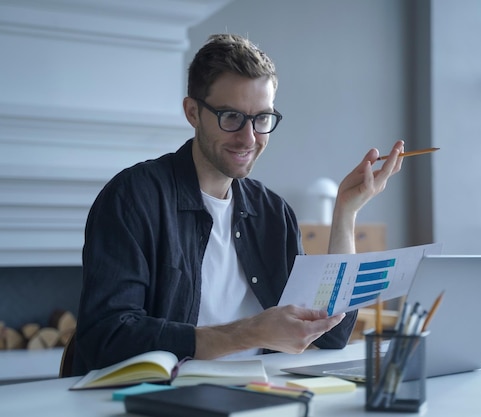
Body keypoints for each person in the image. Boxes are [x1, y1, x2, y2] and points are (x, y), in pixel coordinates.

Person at [72, 33, 405, 376]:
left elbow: (331, 334)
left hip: (255, 395)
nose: (249, 138)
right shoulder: (134, 197)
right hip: (160, 401)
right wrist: (249, 333)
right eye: (231, 117)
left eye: (262, 118)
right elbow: (106, 338)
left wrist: (346, 212)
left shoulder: (273, 213)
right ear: (192, 112)